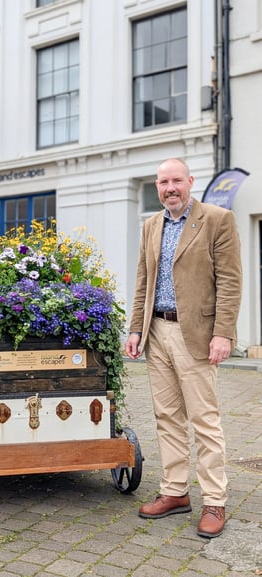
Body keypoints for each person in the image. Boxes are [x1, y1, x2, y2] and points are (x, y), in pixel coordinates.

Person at [125, 158, 242, 539]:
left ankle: (214, 500)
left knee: (204, 421)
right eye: (163, 182)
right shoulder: (150, 225)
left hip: (196, 334)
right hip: (156, 331)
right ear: (157, 187)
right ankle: (175, 491)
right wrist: (135, 330)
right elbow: (144, 280)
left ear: (190, 181)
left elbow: (229, 281)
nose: (169, 187)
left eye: (176, 180)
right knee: (167, 416)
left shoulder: (217, 219)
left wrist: (223, 333)